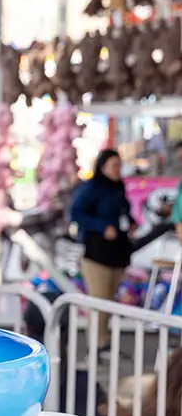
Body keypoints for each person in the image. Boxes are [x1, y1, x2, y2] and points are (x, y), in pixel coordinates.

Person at [70, 149, 135, 351]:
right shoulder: (92, 188)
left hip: (117, 254)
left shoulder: (118, 188)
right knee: (98, 302)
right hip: (97, 255)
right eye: (114, 165)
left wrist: (131, 224)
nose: (117, 170)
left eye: (119, 165)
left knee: (109, 302)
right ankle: (96, 345)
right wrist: (100, 227)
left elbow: (123, 212)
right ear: (103, 166)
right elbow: (75, 213)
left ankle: (103, 342)